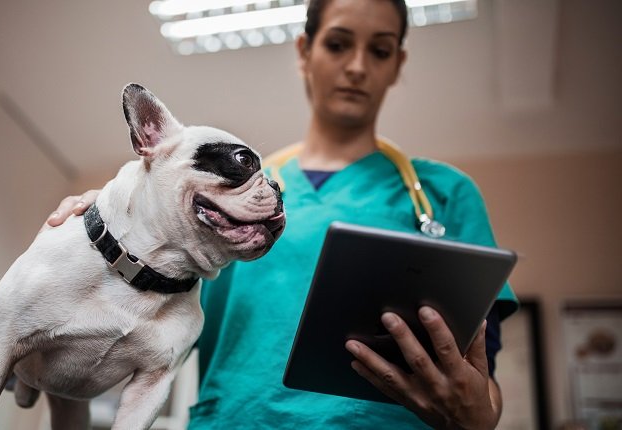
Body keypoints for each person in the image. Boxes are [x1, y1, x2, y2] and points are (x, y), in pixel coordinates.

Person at [47, 0, 518, 428]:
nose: (356, 66)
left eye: (380, 50)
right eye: (337, 44)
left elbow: (481, 382)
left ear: (398, 64)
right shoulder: (219, 196)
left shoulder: (443, 194)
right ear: (304, 51)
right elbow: (130, 324)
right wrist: (110, 230)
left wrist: (479, 418)